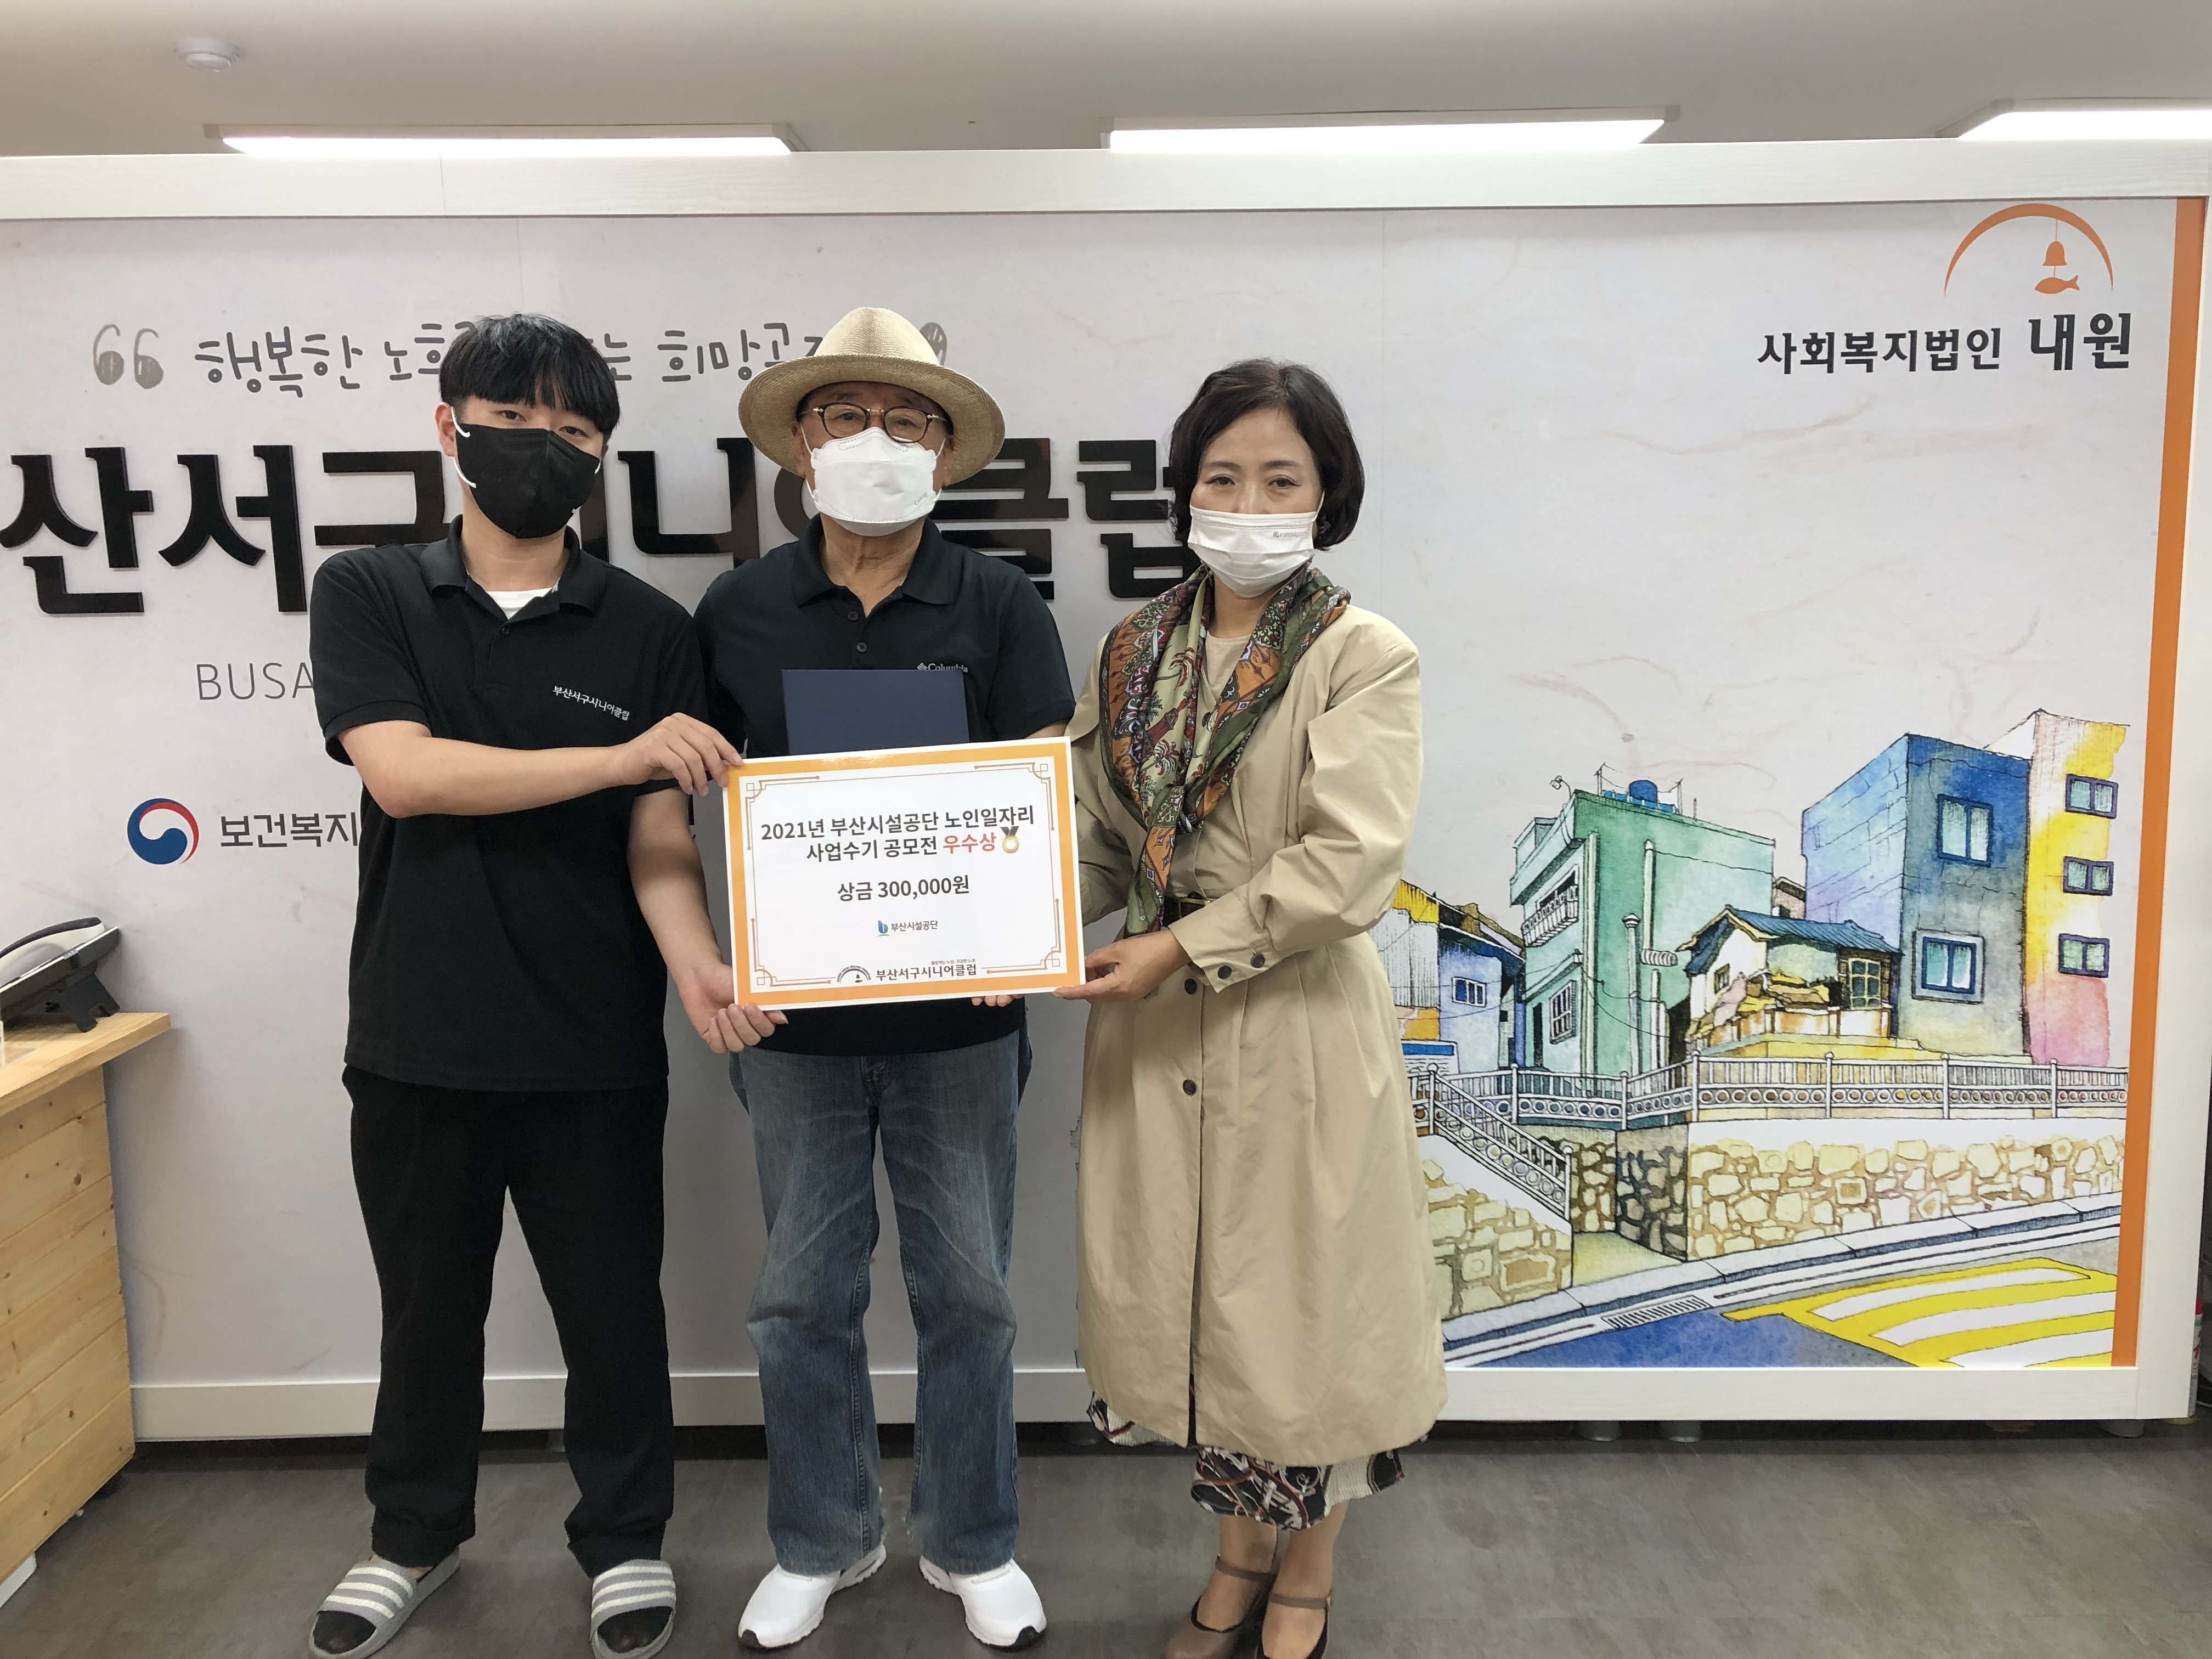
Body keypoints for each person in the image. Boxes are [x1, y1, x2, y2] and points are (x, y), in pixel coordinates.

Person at [305, 313, 781, 1659]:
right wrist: (621, 757)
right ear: (451, 429)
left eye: (574, 430)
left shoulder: (647, 628)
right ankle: (411, 1537)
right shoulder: (372, 591)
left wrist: (698, 965)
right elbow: (407, 774)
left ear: (601, 456)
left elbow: (658, 842)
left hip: (593, 1041)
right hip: (416, 1034)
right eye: (514, 421)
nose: (543, 448)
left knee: (612, 1312)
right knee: (427, 1314)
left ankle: (624, 1541)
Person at [695, 307, 1073, 1651]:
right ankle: (824, 1537)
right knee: (799, 1295)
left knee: (972, 1292)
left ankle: (973, 1542)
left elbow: (1045, 786)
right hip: (791, 1022)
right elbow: (690, 795)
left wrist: (1015, 929)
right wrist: (711, 961)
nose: (875, 440)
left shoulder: (1000, 603)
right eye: (845, 415)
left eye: (907, 420)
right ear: (801, 445)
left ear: (946, 453)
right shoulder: (737, 610)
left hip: (961, 1019)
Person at [1055, 360, 1446, 1659]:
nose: (1250, 504)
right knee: (1200, 1311)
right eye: (1223, 478)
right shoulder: (1132, 652)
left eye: (1283, 479)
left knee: (1307, 1319)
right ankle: (1234, 1553)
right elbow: (1093, 834)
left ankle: (1307, 1571)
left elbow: (1349, 864)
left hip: (1295, 1025)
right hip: (1156, 1029)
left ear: (1328, 495)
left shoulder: (1359, 653)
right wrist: (1005, 911)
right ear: (1184, 493)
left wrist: (1178, 946)